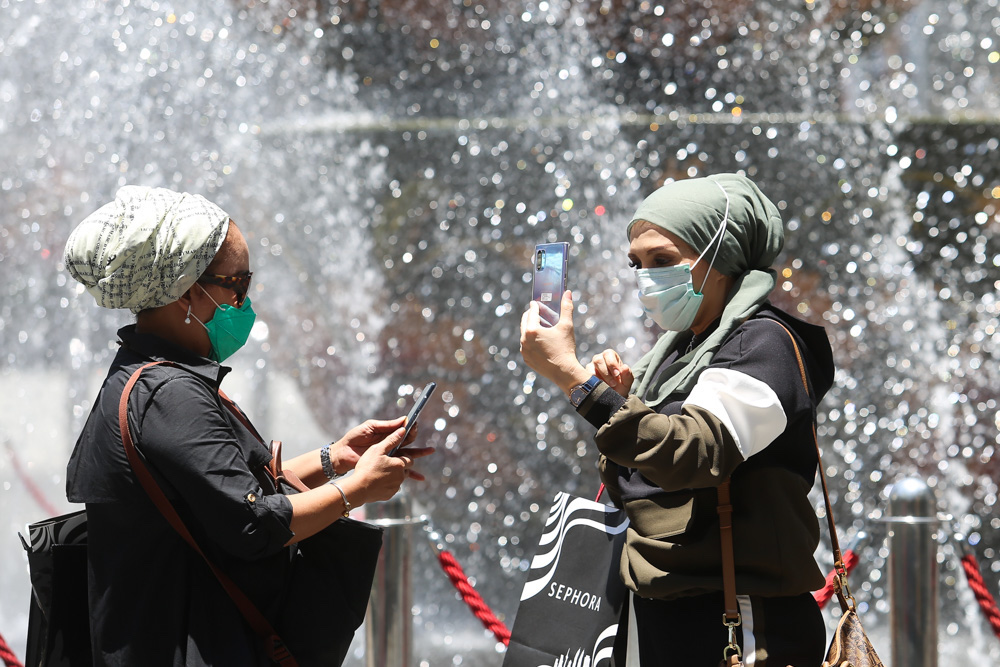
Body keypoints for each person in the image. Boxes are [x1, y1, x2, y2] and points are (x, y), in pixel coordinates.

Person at [63, 185, 434, 666]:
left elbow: (219, 488)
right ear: (186, 293)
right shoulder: (169, 394)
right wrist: (356, 490)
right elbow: (253, 523)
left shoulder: (146, 373)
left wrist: (333, 459)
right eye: (236, 285)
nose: (246, 300)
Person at [520, 173, 835, 666]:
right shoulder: (679, 352)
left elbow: (694, 452)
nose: (646, 276)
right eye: (637, 263)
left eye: (663, 261)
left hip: (740, 619)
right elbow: (644, 476)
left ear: (722, 256)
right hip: (673, 612)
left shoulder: (762, 343)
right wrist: (623, 402)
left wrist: (576, 380)